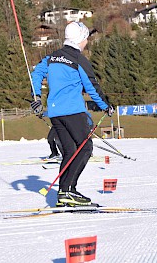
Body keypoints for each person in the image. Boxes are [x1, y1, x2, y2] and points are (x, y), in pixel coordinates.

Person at [30, 21, 114, 207]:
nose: (87, 42)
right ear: (80, 40)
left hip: (55, 113)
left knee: (69, 151)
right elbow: (92, 87)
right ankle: (69, 190)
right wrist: (105, 106)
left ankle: (63, 193)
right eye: (86, 39)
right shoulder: (79, 60)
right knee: (85, 148)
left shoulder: (52, 57)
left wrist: (36, 96)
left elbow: (35, 74)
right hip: (73, 112)